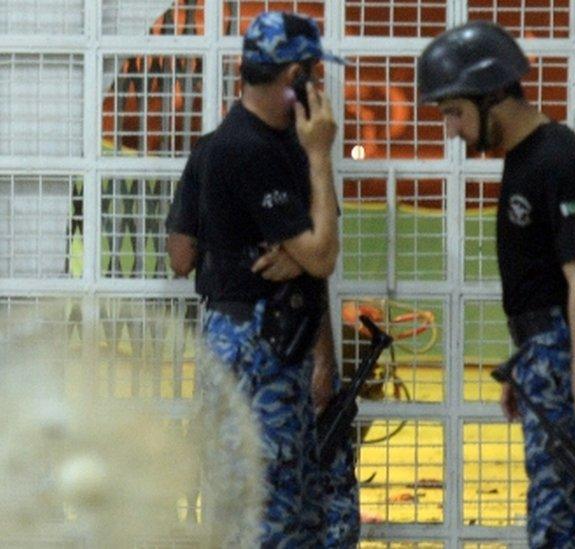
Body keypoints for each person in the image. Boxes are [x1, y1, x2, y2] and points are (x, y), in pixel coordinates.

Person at [418, 22, 575, 548]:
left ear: (495, 96)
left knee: (565, 526)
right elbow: (543, 284)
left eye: (455, 113)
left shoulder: (557, 159)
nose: (451, 129)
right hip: (549, 354)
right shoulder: (524, 160)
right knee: (557, 515)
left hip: (570, 357)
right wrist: (526, 363)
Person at [181, 11, 356, 547]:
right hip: (252, 348)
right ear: (295, 75)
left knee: (299, 515)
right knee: (261, 516)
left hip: (287, 343)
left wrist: (300, 254)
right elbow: (323, 253)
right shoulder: (243, 148)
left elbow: (312, 255)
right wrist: (320, 157)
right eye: (313, 75)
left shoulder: (285, 140)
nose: (319, 89)